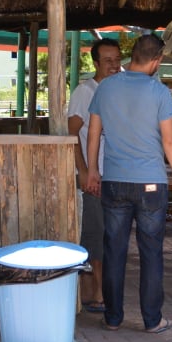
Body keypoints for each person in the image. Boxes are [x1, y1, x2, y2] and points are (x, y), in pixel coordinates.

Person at [85, 34, 172, 334]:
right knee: (151, 252)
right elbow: (170, 140)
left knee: (114, 251)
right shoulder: (160, 92)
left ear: (133, 56)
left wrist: (93, 171)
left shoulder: (106, 87)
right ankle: (152, 320)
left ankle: (113, 318)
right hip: (150, 184)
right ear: (157, 60)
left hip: (115, 181)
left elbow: (93, 133)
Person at [66, 38, 121, 313]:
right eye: (108, 61)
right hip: (93, 177)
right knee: (95, 232)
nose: (114, 65)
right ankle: (97, 292)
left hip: (116, 174)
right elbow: (71, 132)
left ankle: (100, 289)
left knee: (111, 233)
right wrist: (84, 170)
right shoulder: (85, 91)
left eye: (117, 60)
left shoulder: (119, 90)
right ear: (96, 63)